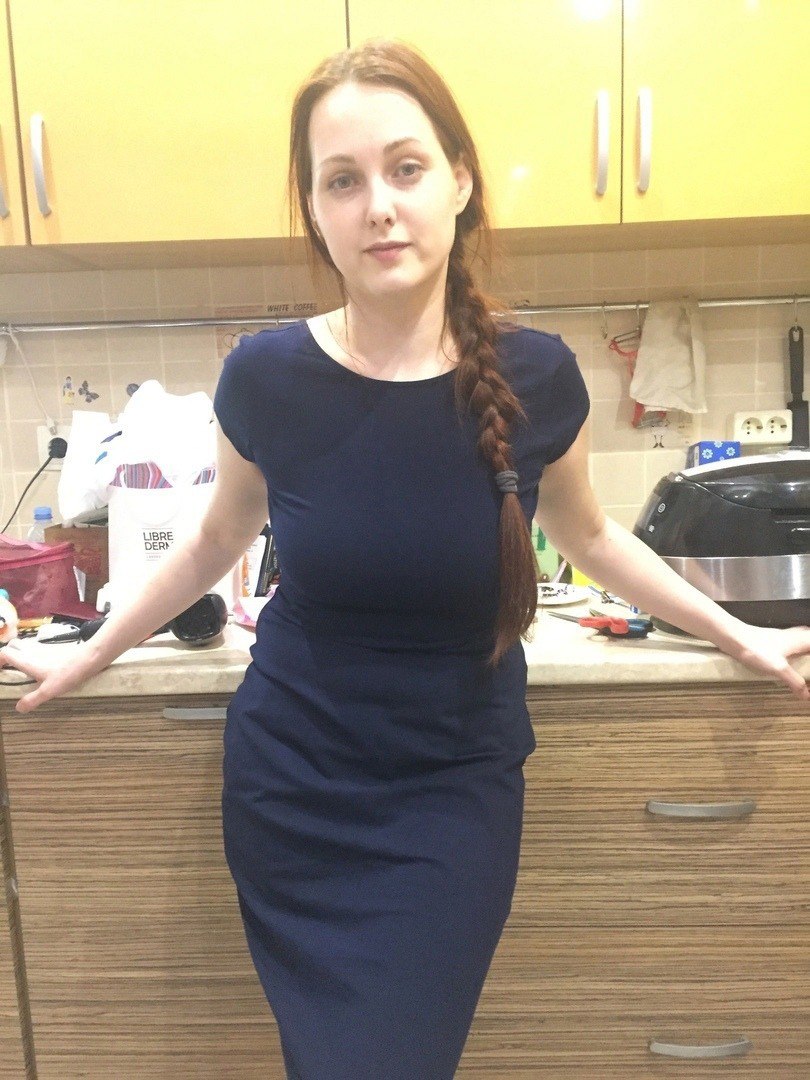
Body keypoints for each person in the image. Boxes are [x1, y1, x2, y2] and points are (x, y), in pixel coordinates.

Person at [1, 36, 808, 1080]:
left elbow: (593, 538)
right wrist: (89, 649)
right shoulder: (266, 378)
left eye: (406, 167)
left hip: (452, 792)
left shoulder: (537, 375)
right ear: (315, 209)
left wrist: (741, 634)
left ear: (460, 181)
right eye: (343, 180)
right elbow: (214, 541)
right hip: (294, 788)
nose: (378, 205)